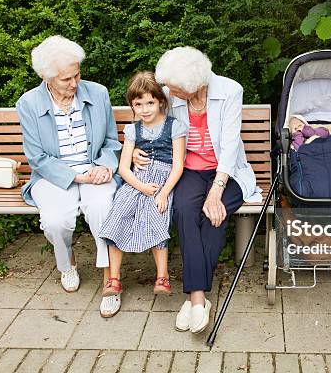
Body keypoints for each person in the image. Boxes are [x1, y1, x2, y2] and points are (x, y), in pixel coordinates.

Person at [134, 46, 262, 334]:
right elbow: (146, 122)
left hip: (228, 172)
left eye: (175, 87)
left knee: (212, 213)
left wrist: (216, 190)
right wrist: (132, 152)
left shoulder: (230, 91)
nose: (168, 90)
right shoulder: (171, 94)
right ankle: (199, 298)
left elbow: (230, 145)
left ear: (193, 87)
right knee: (185, 210)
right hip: (190, 169)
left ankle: (194, 297)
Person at [16, 35, 122, 318]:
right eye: (66, 79)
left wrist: (105, 167)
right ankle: (68, 262)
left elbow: (112, 142)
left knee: (102, 208)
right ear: (47, 77)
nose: (74, 83)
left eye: (77, 74)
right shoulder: (28, 103)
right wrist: (76, 178)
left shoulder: (97, 93)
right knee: (54, 220)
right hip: (52, 176)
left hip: (94, 168)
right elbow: (37, 157)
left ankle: (110, 279)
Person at [98, 72, 187, 305]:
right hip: (137, 181)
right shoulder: (132, 130)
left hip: (163, 183)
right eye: (138, 104)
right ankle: (114, 279)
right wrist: (141, 187)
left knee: (157, 214)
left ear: (160, 102)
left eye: (150, 102)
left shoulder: (174, 126)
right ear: (132, 106)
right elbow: (124, 168)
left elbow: (178, 165)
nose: (145, 109)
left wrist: (163, 193)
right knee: (118, 212)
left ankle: (162, 276)